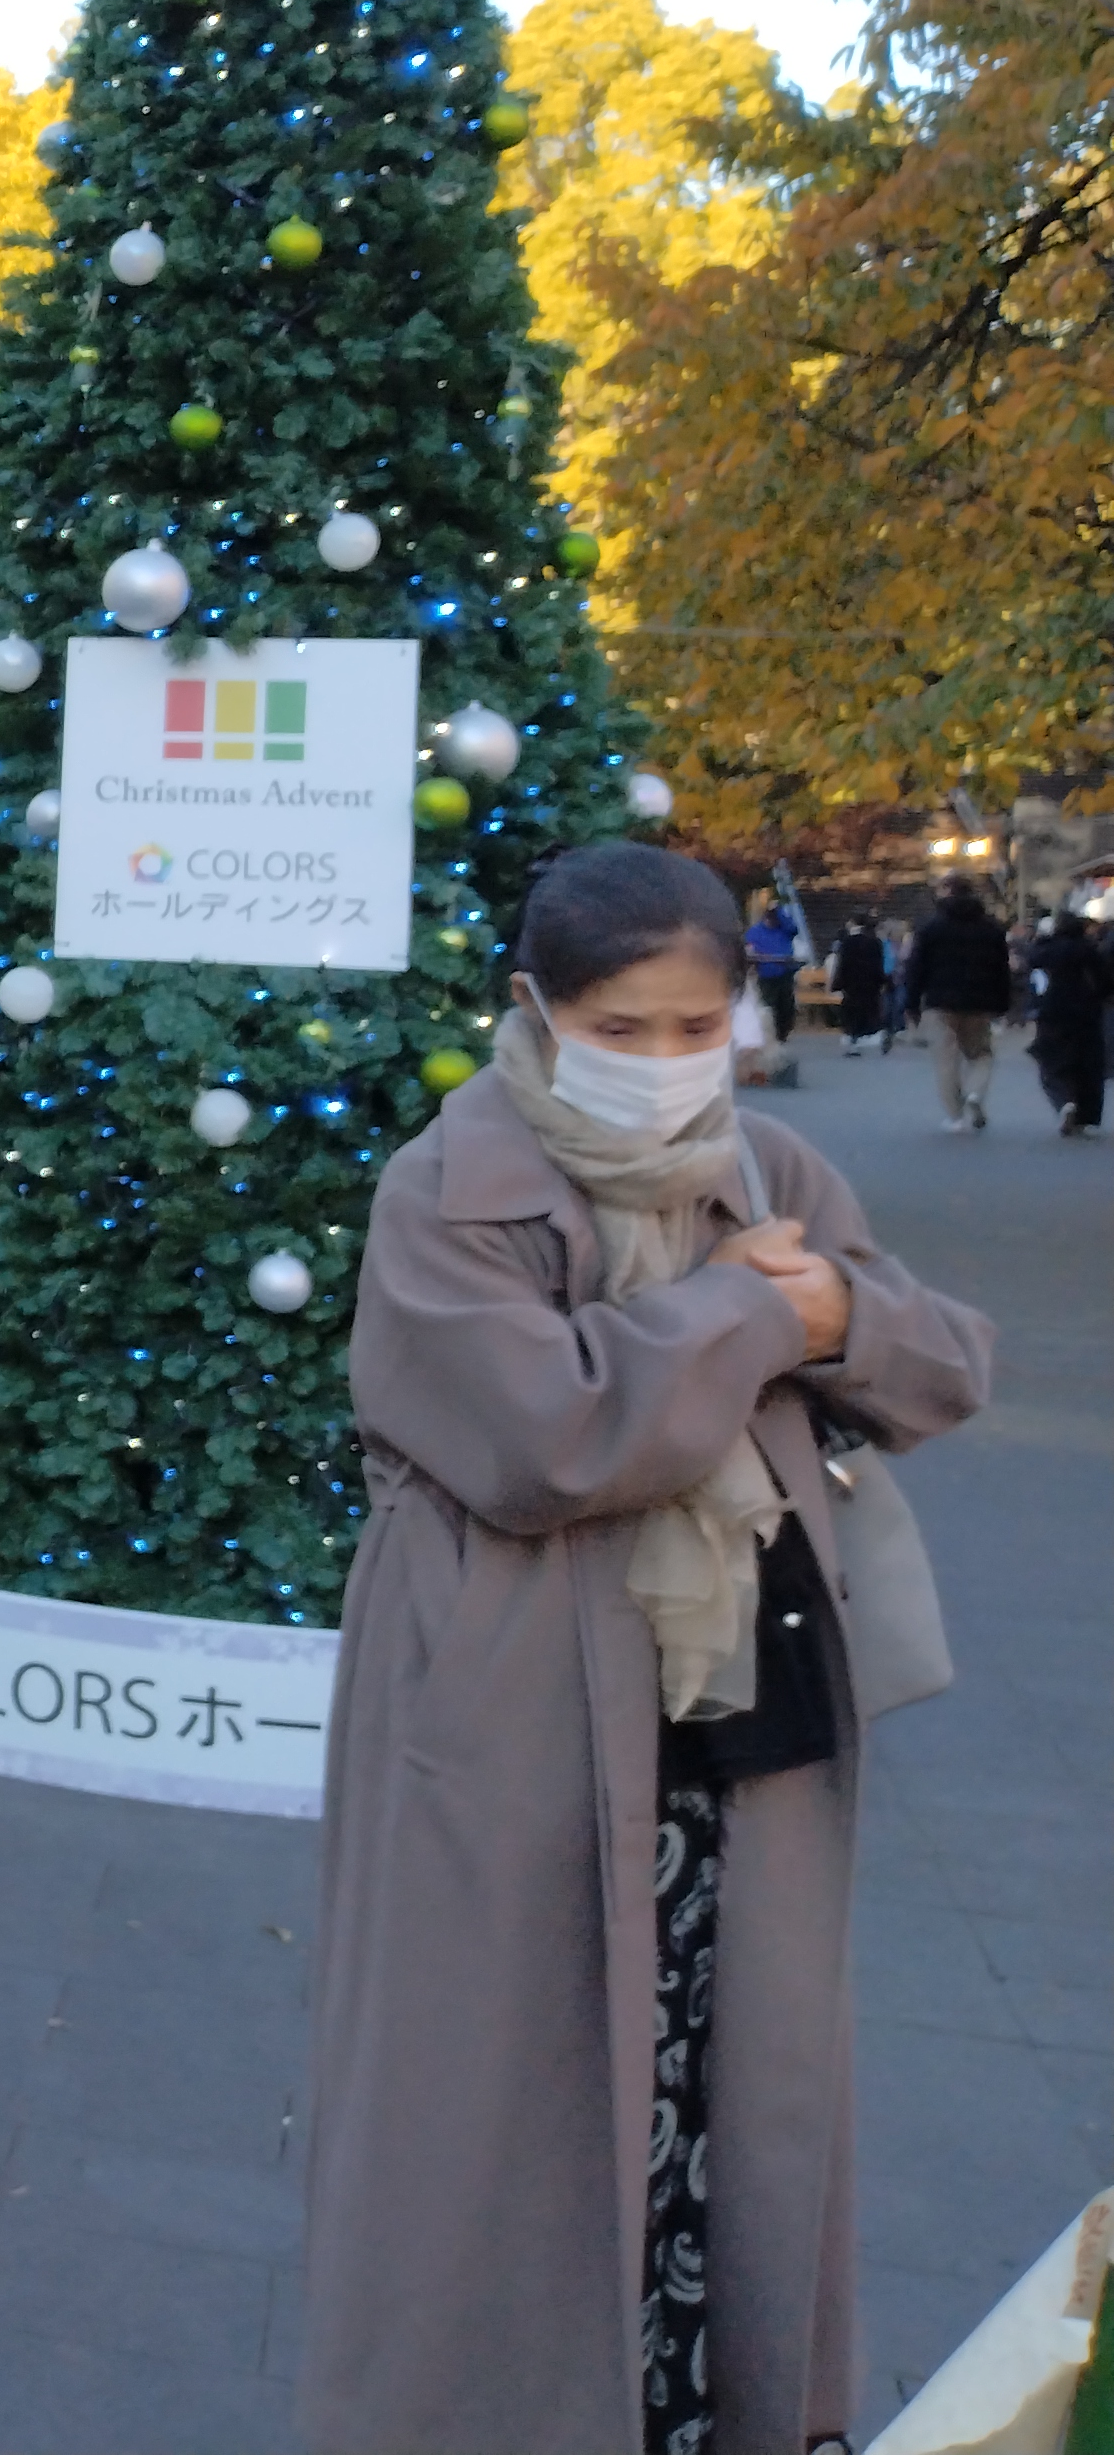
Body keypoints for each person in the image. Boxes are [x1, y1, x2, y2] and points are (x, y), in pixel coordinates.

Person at [302, 841, 993, 2455]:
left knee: (741, 2091)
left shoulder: (773, 1168)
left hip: (741, 1715)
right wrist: (752, 1318)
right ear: (534, 1008)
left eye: (698, 1025)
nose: (670, 1061)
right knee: (497, 2107)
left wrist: (836, 1317)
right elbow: (547, 1437)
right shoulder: (447, 1191)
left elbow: (945, 1367)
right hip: (517, 1706)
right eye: (626, 1028)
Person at [907, 875, 1016, 1132]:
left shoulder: (931, 927)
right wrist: (1003, 1004)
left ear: (947, 891)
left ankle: (955, 1116)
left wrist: (911, 1003)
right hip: (979, 1002)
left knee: (946, 1059)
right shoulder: (991, 928)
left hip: (940, 1002)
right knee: (981, 1054)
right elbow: (1002, 969)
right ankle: (975, 1092)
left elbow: (916, 968)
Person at [1028, 907, 1105, 1138]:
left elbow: (1031, 966)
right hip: (1086, 1013)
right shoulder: (1089, 950)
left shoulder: (1045, 951)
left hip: (1051, 1012)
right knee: (1086, 1064)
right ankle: (1086, 1114)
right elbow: (1103, 981)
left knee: (1052, 1062)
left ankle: (1064, 1100)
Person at [743, 884, 801, 1043]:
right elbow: (750, 952)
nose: (775, 920)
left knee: (787, 1007)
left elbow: (793, 928)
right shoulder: (755, 932)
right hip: (766, 974)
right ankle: (770, 1035)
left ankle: (783, 1034)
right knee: (769, 1006)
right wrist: (765, 958)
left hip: (785, 973)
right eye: (773, 917)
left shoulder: (784, 930)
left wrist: (779, 910)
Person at [828, 910, 890, 1055]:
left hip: (852, 984)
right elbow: (879, 965)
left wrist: (837, 983)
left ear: (853, 923)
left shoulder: (847, 942)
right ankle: (876, 1036)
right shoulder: (875, 942)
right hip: (870, 984)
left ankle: (852, 1041)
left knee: (851, 1013)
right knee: (869, 1012)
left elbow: (842, 965)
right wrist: (881, 981)